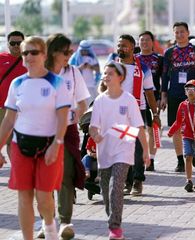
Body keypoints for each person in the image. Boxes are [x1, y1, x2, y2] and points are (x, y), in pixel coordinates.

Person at [0, 36, 70, 240]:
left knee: (43, 197)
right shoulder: (17, 83)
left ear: (44, 55)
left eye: (34, 52)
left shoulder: (56, 82)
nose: (29, 57)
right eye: (25, 53)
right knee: (24, 197)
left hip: (49, 145)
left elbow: (62, 118)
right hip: (21, 145)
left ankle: (50, 228)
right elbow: (8, 120)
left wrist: (56, 144)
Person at [35, 33, 91, 240]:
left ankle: (65, 222)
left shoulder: (73, 72)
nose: (70, 55)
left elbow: (84, 102)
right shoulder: (38, 73)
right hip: (41, 132)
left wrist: (74, 116)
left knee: (65, 176)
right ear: (53, 51)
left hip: (67, 131)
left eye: (71, 51)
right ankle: (46, 223)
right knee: (43, 180)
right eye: (65, 52)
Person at [89, 61, 150, 240]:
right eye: (105, 73)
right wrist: (95, 135)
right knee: (106, 192)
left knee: (116, 187)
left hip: (124, 149)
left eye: (110, 73)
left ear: (120, 77)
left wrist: (146, 151)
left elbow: (139, 127)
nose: (106, 76)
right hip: (104, 151)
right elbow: (93, 126)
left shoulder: (129, 99)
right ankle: (113, 218)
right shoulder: (100, 100)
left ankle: (115, 228)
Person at [115, 34, 159, 196]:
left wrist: (155, 113)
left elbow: (149, 92)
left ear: (133, 48)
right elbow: (104, 87)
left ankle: (138, 181)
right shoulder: (113, 66)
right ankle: (127, 181)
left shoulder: (143, 68)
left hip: (137, 110)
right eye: (119, 45)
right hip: (117, 111)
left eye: (124, 45)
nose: (120, 48)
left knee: (137, 148)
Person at [161, 22, 195, 172]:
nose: (180, 35)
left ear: (188, 33)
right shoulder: (169, 52)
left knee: (194, 125)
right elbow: (164, 74)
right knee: (175, 127)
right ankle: (180, 160)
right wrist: (163, 95)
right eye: (177, 32)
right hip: (174, 93)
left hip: (194, 94)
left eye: (182, 32)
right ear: (173, 34)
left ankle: (192, 153)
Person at [168, 80, 195, 192]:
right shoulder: (183, 105)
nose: (190, 92)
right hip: (187, 135)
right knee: (188, 157)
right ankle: (189, 180)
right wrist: (171, 131)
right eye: (187, 90)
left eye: (193, 89)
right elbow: (178, 121)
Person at [136, 31, 163, 171]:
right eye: (142, 40)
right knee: (140, 130)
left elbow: (164, 79)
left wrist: (161, 98)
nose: (144, 42)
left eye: (147, 40)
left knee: (153, 130)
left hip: (153, 98)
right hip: (137, 99)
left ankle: (151, 159)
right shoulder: (134, 59)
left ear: (153, 42)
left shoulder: (158, 59)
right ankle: (140, 157)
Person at [0, 31, 27, 158]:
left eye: (19, 43)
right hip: (2, 108)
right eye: (13, 43)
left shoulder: (30, 60)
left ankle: (14, 171)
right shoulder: (1, 58)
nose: (16, 46)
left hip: (23, 109)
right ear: (8, 44)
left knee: (13, 142)